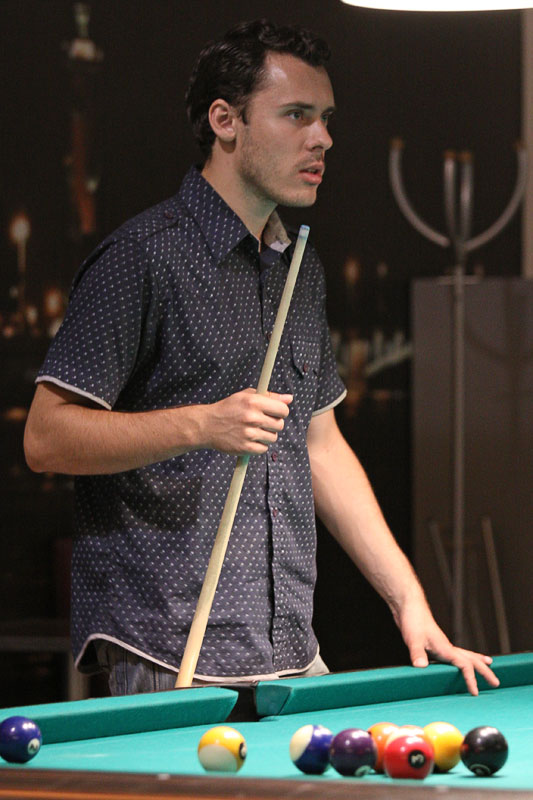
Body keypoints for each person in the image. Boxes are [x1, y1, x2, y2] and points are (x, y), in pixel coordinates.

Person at [24, 19, 498, 697]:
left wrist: (408, 601)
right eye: (296, 115)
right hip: (170, 651)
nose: (322, 138)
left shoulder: (299, 266)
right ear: (226, 121)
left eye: (326, 118)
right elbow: (45, 438)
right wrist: (203, 424)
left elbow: (320, 445)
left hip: (290, 648)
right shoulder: (142, 257)